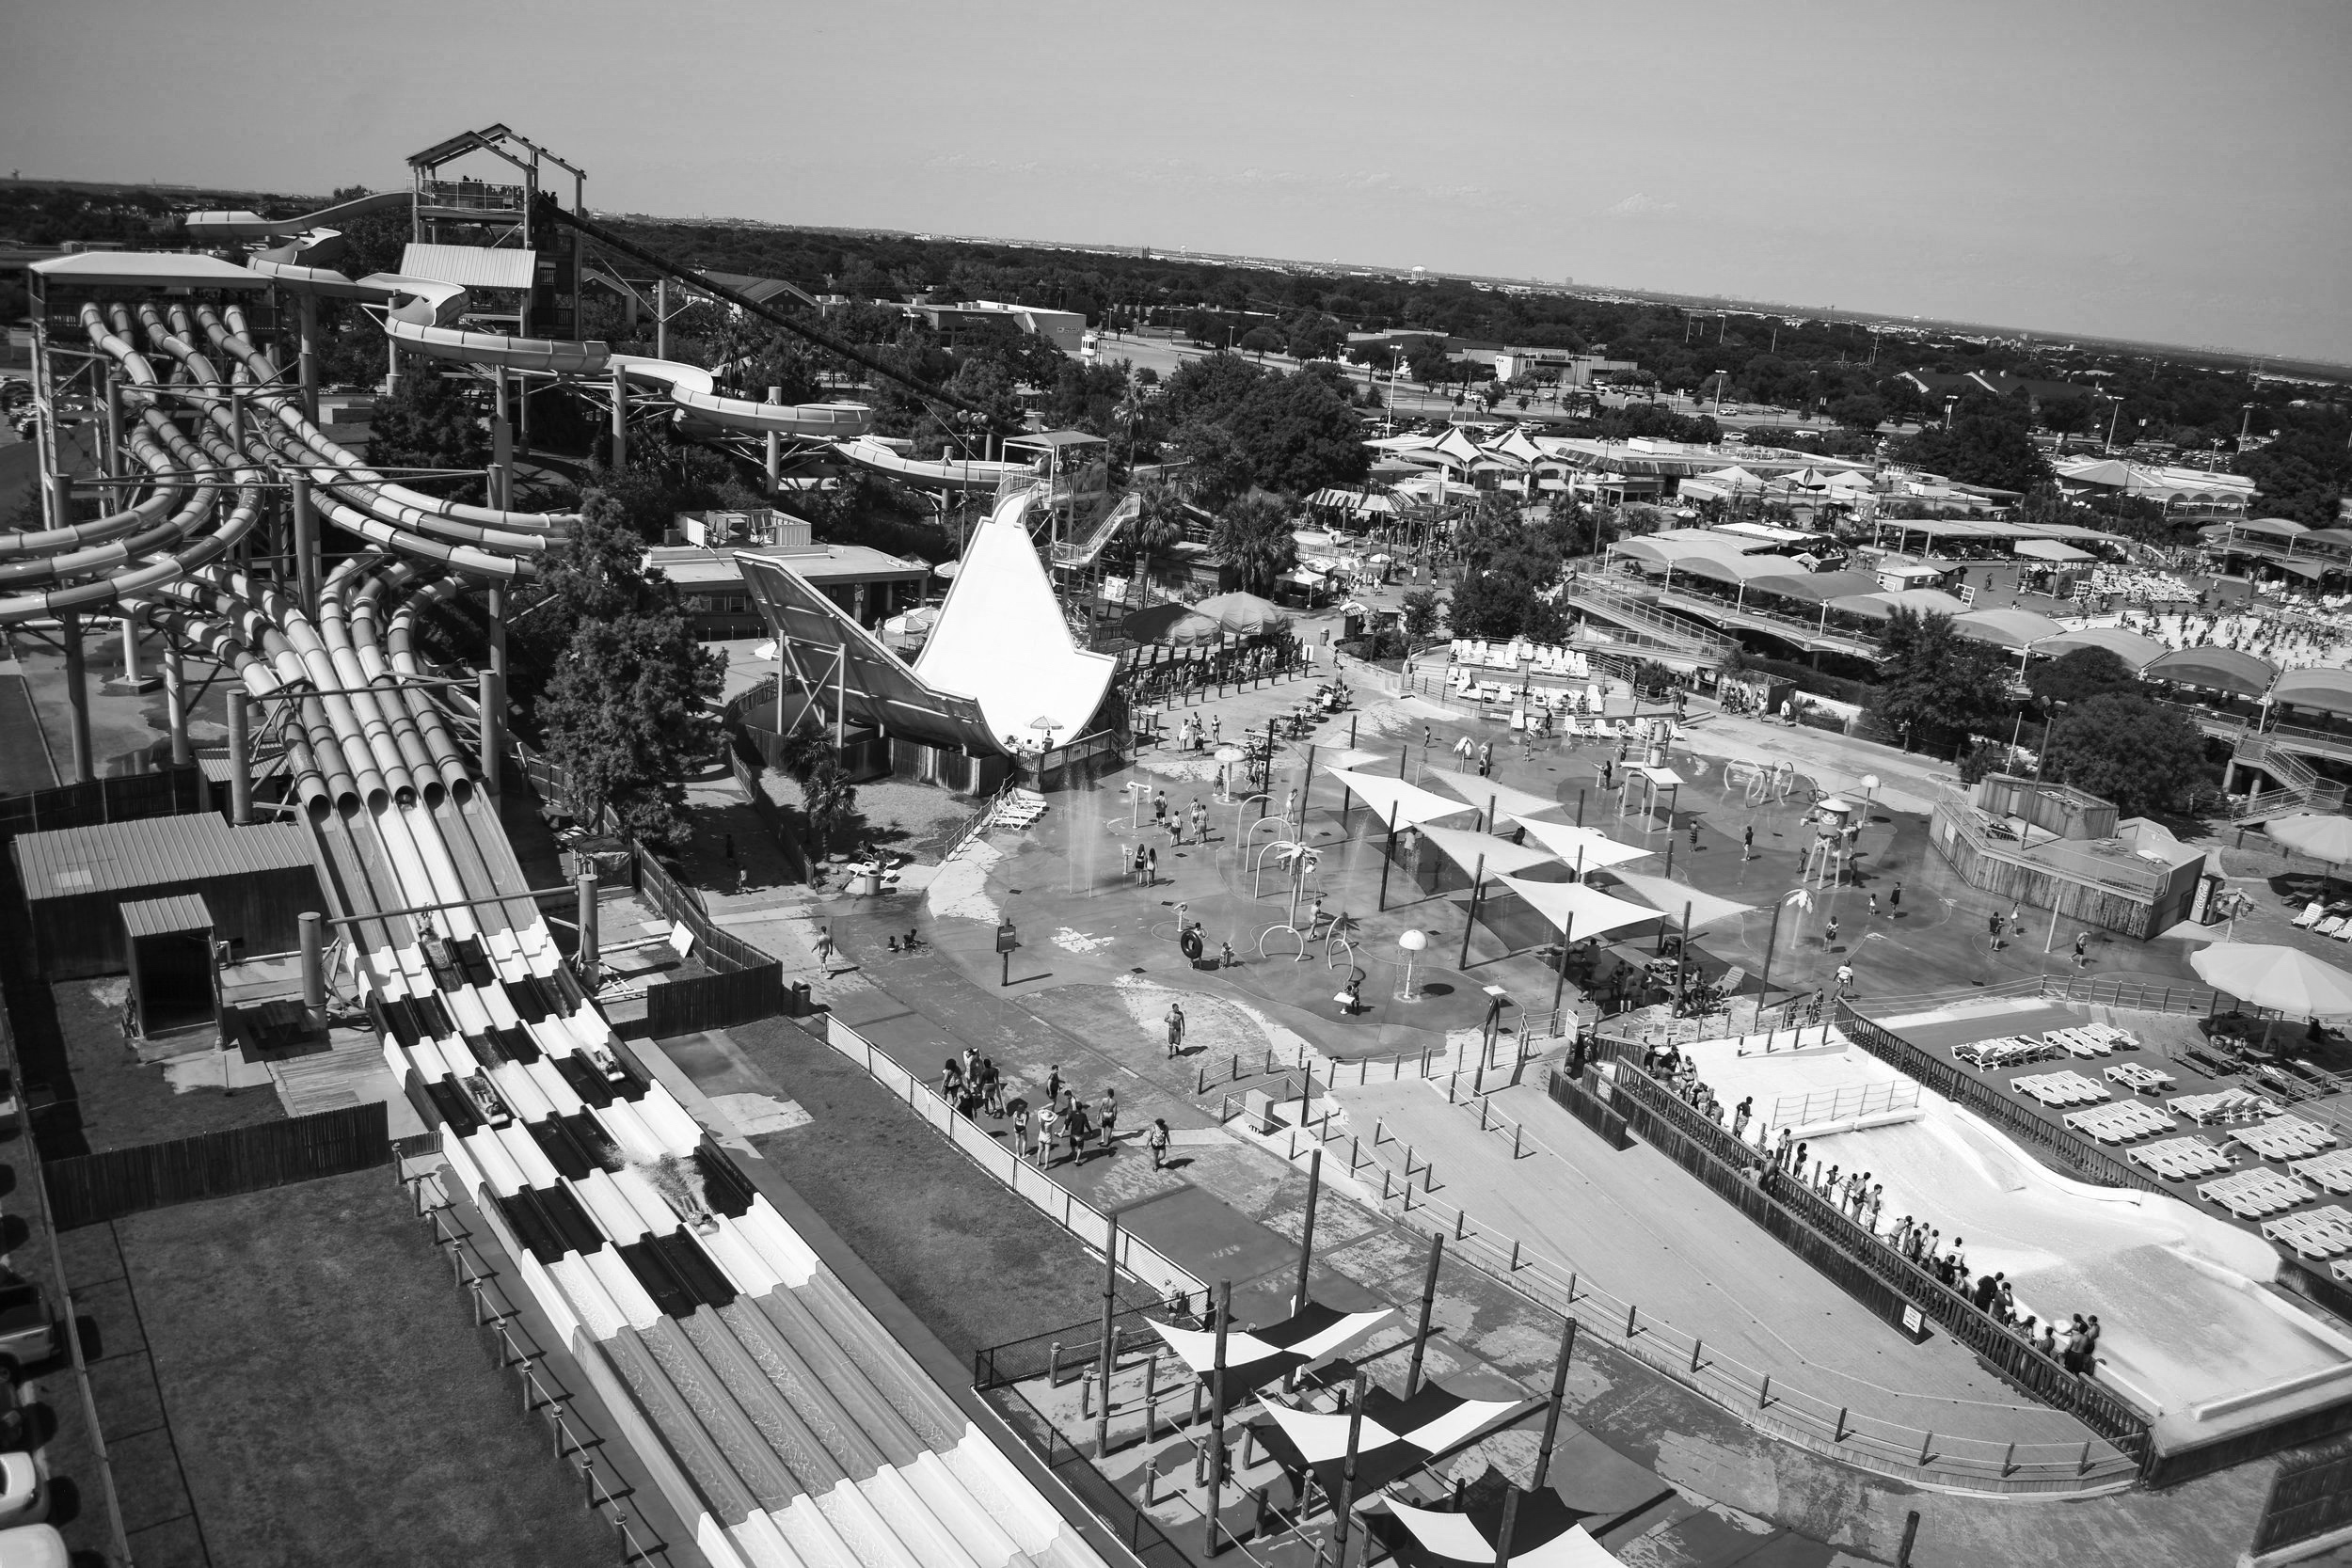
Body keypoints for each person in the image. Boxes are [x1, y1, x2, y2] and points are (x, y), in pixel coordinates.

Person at [1097, 1088, 1120, 1154]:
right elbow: (1115, 1110)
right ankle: (1108, 1139)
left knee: (1103, 1127)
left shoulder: (1104, 1100)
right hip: (1111, 1115)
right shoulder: (1114, 1101)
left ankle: (1103, 1139)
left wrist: (1098, 1115)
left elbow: (1100, 1108)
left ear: (1107, 1093)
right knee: (1110, 1128)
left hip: (1105, 1114)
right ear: (1112, 1094)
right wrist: (1115, 1116)